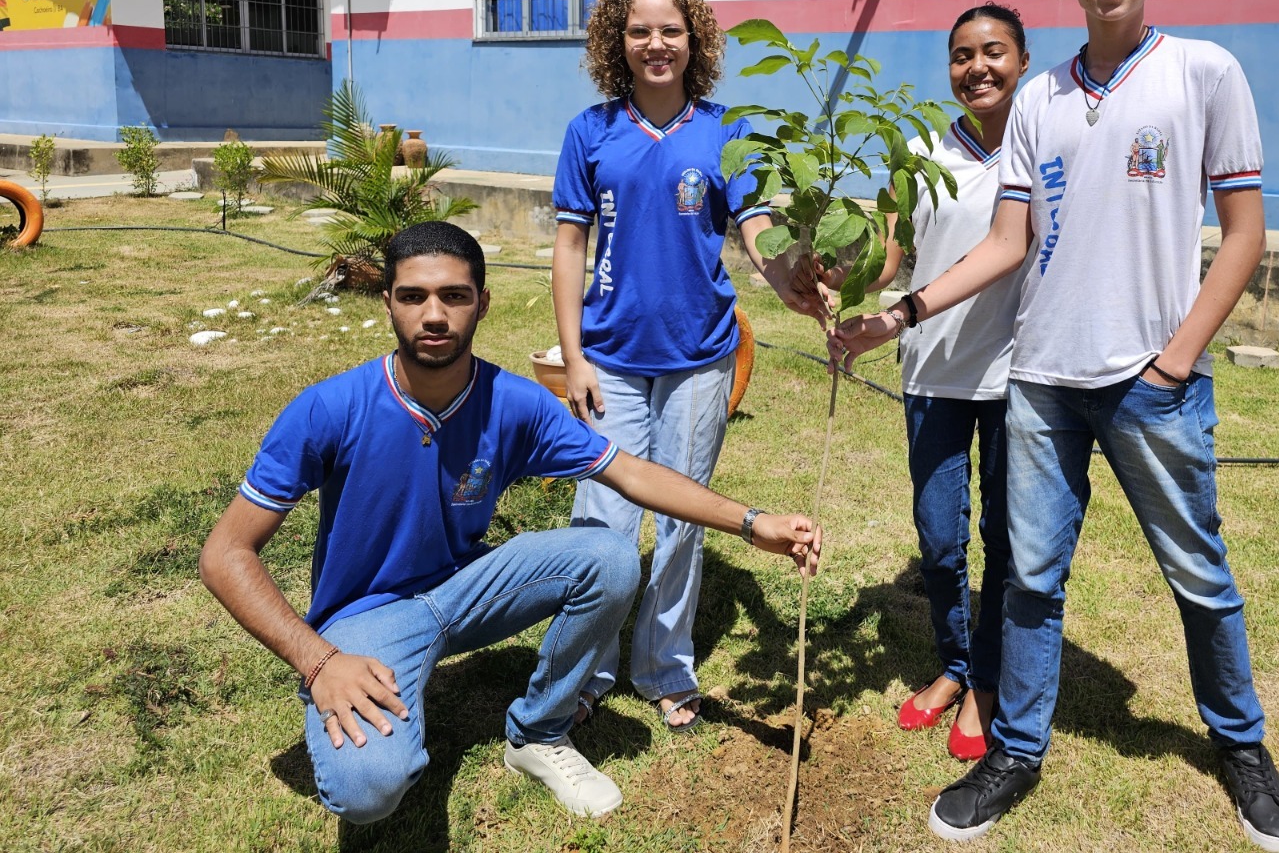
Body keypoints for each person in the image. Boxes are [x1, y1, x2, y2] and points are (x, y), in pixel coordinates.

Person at [832, 0, 1279, 851]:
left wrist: (1177, 359)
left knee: (1199, 577)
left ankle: (1241, 745)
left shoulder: (1205, 73)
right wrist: (903, 312)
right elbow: (1007, 241)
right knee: (1033, 584)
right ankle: (1016, 749)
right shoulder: (1041, 97)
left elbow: (1246, 234)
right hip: (1040, 383)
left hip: (1147, 383)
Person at [199, 222, 821, 824]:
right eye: (413, 297)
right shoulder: (329, 409)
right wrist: (318, 660)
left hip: (467, 589)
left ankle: (539, 732)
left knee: (607, 556)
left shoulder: (512, 402)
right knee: (369, 791)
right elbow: (226, 554)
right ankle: (374, 684)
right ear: (388, 302)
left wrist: (751, 521)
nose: (434, 315)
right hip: (368, 619)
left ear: (483, 304)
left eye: (455, 296)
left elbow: (630, 473)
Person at [552, 0, 826, 732]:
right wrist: (574, 356)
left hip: (701, 356)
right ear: (618, 41)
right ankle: (587, 667)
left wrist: (792, 278)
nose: (655, 43)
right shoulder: (591, 132)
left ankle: (664, 665)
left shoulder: (725, 130)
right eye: (639, 30)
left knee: (683, 521)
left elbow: (757, 230)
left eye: (670, 29)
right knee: (601, 519)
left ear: (694, 38)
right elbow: (570, 247)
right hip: (609, 358)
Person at [833, 4, 1030, 762]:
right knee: (940, 541)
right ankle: (954, 666)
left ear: (1021, 58)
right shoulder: (918, 152)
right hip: (933, 371)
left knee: (1005, 541)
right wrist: (840, 273)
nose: (976, 68)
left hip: (1018, 376)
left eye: (993, 52)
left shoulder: (1043, 144)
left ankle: (982, 681)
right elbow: (889, 257)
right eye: (960, 56)